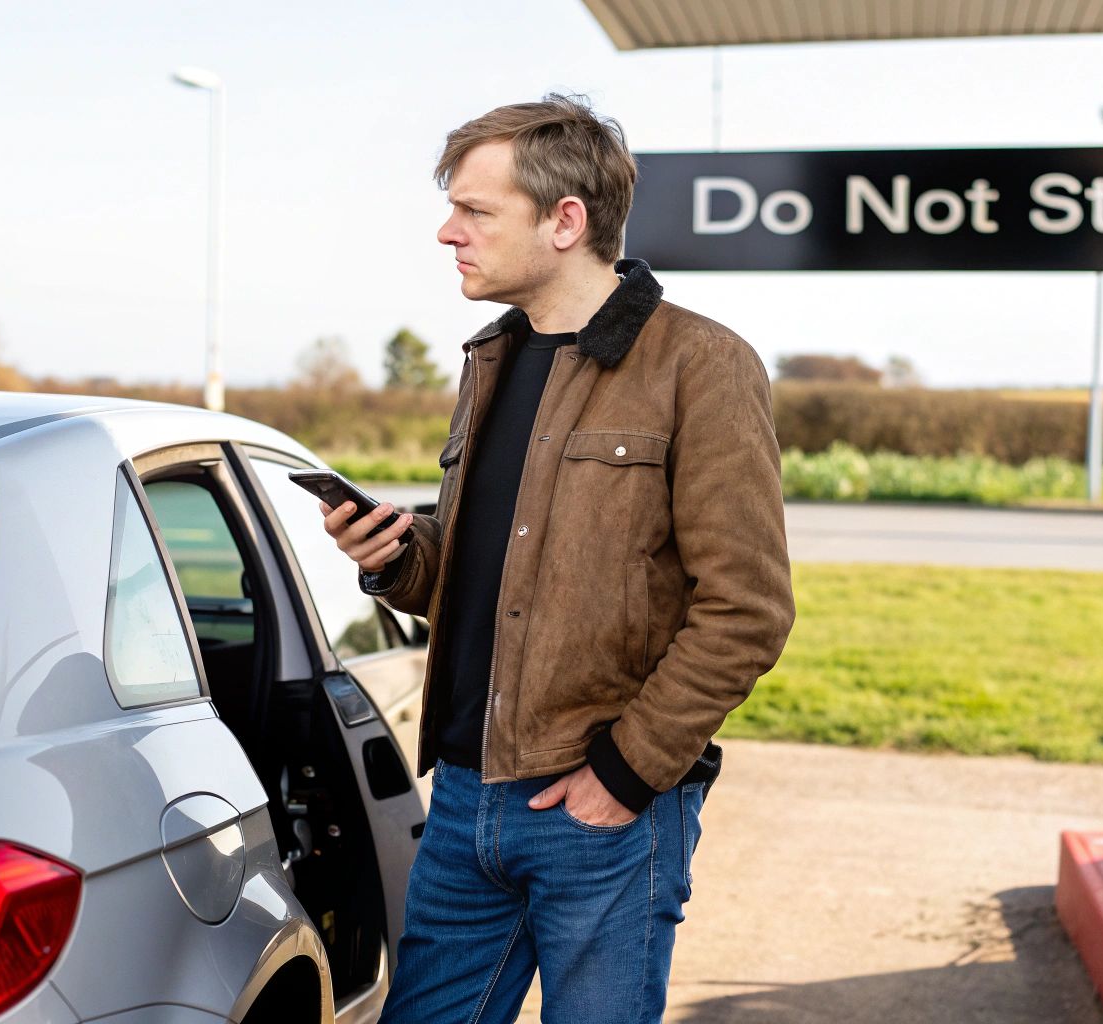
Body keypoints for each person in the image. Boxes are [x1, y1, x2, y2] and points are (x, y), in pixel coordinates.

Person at [320, 92, 794, 1023]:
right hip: (462, 801)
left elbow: (747, 608)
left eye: (477, 210)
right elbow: (497, 582)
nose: (448, 231)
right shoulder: (491, 357)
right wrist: (396, 559)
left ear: (565, 221)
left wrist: (625, 776)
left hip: (603, 811)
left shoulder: (701, 363)